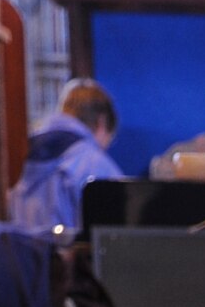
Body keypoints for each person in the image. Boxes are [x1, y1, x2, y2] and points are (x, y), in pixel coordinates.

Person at [10, 79, 123, 241]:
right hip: (69, 264)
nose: (103, 150)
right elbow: (117, 237)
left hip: (20, 261)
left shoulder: (19, 153)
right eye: (107, 141)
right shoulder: (93, 164)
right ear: (102, 122)